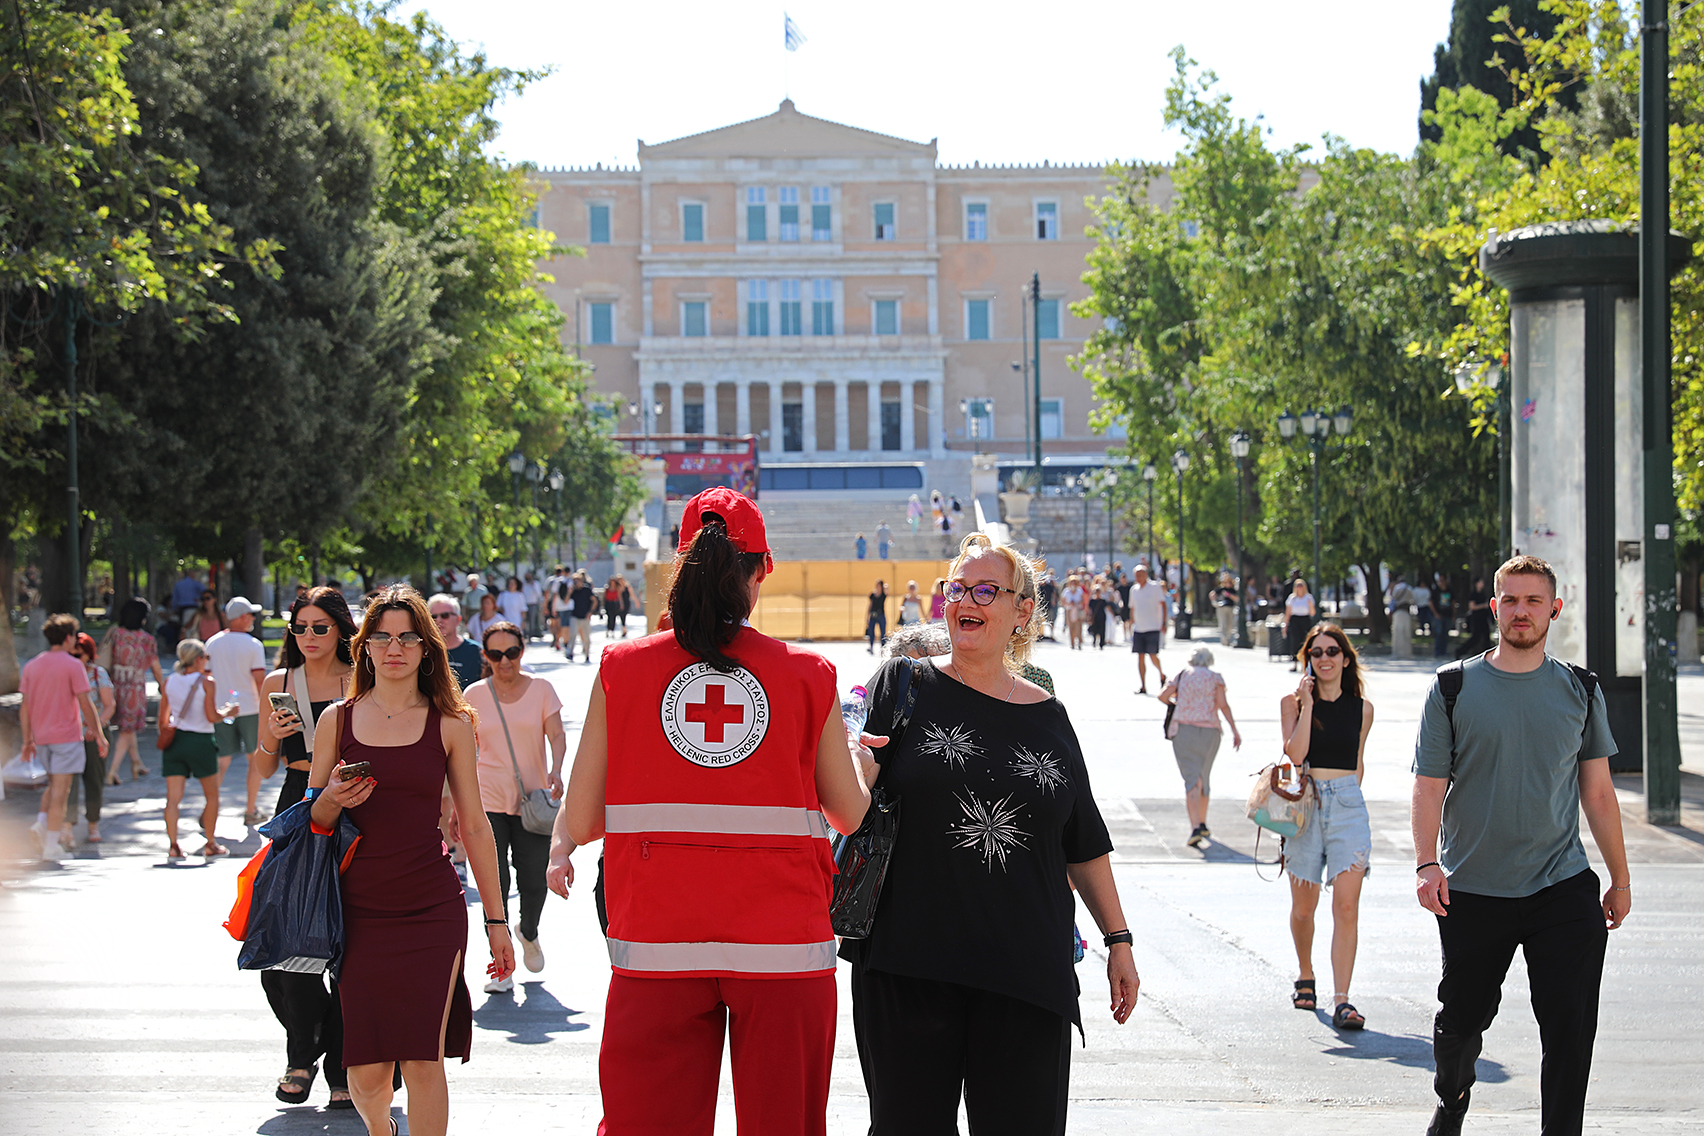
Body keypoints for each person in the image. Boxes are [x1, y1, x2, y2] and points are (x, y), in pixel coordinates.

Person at [551, 486, 869, 1135]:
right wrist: (868, 761)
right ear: (762, 572)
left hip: (657, 943)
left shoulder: (623, 667)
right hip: (784, 946)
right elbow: (850, 816)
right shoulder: (809, 674)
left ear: (679, 562)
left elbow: (582, 821)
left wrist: (559, 847)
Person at [845, 533, 1138, 1134]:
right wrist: (859, 773)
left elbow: (1082, 842)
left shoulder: (1049, 717)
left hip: (1026, 974)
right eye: (957, 588)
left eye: (985, 590)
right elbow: (849, 807)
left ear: (1022, 610)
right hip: (909, 967)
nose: (965, 601)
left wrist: (1119, 939)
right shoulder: (902, 686)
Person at [1412, 555, 1629, 1136]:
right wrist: (1427, 863)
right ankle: (1452, 1099)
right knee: (1462, 1021)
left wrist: (1620, 880)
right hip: (1473, 888)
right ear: (1495, 608)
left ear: (1554, 610)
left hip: (1562, 886)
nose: (1522, 611)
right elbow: (1429, 786)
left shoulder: (1580, 689)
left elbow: (1600, 795)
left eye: (1534, 601)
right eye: (1510, 600)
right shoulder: (1452, 687)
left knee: (1570, 1027)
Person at [306, 584, 513, 1136]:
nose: (394, 647)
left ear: (427, 648)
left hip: (431, 908)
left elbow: (474, 824)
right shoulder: (336, 721)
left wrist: (497, 922)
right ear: (365, 647)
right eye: (382, 637)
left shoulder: (451, 723)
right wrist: (329, 798)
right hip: (357, 909)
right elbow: (311, 823)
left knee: (424, 1057)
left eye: (407, 637)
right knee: (367, 1075)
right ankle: (383, 1130)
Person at [255, 585, 358, 1110]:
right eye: (300, 627)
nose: (310, 636)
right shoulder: (280, 683)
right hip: (296, 801)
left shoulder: (360, 678)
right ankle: (306, 1040)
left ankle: (340, 1063)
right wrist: (273, 735)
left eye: (321, 627)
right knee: (280, 935)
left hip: (355, 803)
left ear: (341, 628)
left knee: (352, 939)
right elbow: (262, 765)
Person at [1279, 622, 1375, 1030]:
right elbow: (1294, 754)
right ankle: (1305, 972)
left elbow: (1358, 764)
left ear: (1346, 657)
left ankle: (1343, 1000)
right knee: (1304, 908)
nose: (1324, 659)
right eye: (1315, 653)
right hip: (1306, 805)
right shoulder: (1293, 703)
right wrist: (1308, 705)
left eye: (1332, 651)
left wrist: (1347, 798)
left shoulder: (1362, 709)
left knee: (1347, 905)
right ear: (1307, 660)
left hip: (1348, 804)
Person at [463, 621, 566, 991]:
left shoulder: (541, 690)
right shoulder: (473, 695)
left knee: (534, 877)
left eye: (511, 653)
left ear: (522, 651)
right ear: (485, 657)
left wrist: (556, 769)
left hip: (533, 798)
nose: (504, 662)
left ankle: (529, 929)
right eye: (495, 654)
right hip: (487, 797)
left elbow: (556, 733)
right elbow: (461, 748)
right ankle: (501, 966)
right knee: (497, 882)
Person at [20, 614, 109, 861]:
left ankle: (41, 823)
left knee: (53, 786)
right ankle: (51, 845)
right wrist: (100, 736)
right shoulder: (73, 666)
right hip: (67, 736)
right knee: (61, 791)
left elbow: (25, 706)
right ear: (69, 638)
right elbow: (86, 703)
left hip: (42, 736)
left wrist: (27, 740)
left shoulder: (32, 665)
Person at [1157, 644, 1242, 848]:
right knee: (1203, 776)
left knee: (1191, 778)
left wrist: (1180, 703)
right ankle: (1202, 822)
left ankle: (1195, 826)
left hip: (1184, 730)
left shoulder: (1182, 675)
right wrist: (1234, 729)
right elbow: (1223, 705)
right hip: (1210, 730)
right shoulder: (1215, 678)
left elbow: (1162, 696)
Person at [159, 638, 237, 859]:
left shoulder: (169, 681)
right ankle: (210, 843)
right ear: (198, 659)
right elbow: (211, 716)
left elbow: (163, 719)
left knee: (173, 798)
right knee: (211, 796)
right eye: (206, 657)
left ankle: (173, 845)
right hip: (201, 740)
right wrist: (229, 712)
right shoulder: (206, 682)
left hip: (176, 742)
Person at [206, 597, 270, 826]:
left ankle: (209, 807)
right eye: (251, 614)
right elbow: (260, 680)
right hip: (250, 708)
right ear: (242, 618)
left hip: (221, 709)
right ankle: (250, 809)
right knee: (254, 759)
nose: (253, 618)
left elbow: (206, 677)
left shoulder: (212, 643)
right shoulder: (253, 645)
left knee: (221, 760)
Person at [101, 598, 164, 784]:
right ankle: (112, 771)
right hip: (134, 687)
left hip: (114, 684)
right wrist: (163, 685)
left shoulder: (115, 633)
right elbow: (155, 666)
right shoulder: (146, 639)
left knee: (126, 728)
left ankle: (137, 763)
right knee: (127, 730)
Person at [62, 632, 116, 847]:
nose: (76, 658)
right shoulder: (64, 674)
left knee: (94, 780)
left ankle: (93, 823)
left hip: (94, 734)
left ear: (89, 654)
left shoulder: (97, 674)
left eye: (80, 655)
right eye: (72, 654)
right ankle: (67, 826)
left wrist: (97, 727)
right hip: (70, 735)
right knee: (68, 781)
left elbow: (109, 705)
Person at [428, 593, 484, 690]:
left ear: (458, 619)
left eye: (445, 615)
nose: (439, 620)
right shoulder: (424, 651)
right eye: (434, 617)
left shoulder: (476, 651)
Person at [1128, 563, 1168, 693]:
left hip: (1153, 626)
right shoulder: (1134, 589)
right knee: (1140, 656)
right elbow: (1132, 607)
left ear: (1146, 574)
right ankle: (1143, 685)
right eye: (1136, 575)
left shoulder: (1155, 587)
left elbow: (1163, 604)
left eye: (1140, 574)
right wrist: (1132, 621)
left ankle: (1161, 675)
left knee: (1152, 655)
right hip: (1139, 628)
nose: (1138, 577)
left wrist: (1163, 622)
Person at [1283, 578, 1317, 672]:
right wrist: (1285, 625)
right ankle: (1295, 663)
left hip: (1305, 619)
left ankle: (1304, 664)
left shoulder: (1308, 597)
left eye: (1301, 585)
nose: (1299, 588)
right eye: (1297, 586)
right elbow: (1288, 613)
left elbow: (1312, 613)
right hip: (1295, 620)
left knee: (1305, 641)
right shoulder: (1292, 598)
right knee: (1295, 641)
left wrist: (1310, 605)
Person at [1456, 576, 1493, 658]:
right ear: (1476, 584)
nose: (1482, 584)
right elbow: (1472, 607)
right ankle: (1460, 651)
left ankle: (1488, 655)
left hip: (1483, 618)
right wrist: (1483, 606)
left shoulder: (1483, 594)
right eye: (1481, 582)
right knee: (1476, 638)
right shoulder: (1473, 594)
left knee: (1486, 636)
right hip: (1476, 618)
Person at [566, 571, 597, 662]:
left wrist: (590, 612)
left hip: (585, 616)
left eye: (578, 580)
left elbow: (594, 600)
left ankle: (587, 654)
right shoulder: (573, 591)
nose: (576, 583)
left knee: (586, 637)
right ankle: (570, 653)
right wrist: (569, 592)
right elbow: (566, 602)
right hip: (575, 616)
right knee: (573, 635)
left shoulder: (586, 590)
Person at [1061, 572, 1087, 649]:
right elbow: (1062, 601)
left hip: (1078, 610)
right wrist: (1068, 603)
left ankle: (1079, 642)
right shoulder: (1066, 591)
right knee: (1071, 627)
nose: (1073, 584)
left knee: (1078, 627)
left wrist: (1078, 603)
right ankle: (1072, 643)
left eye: (1075, 582)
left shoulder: (1079, 590)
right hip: (1069, 610)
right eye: (1072, 582)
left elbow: (1083, 600)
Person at [1213, 572, 1238, 646]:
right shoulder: (1220, 589)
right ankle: (1224, 640)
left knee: (1230, 624)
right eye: (1226, 582)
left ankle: (1228, 638)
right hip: (1222, 608)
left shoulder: (1233, 590)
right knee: (1223, 624)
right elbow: (1212, 594)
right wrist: (1214, 602)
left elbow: (1236, 599)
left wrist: (1229, 595)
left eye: (1229, 582)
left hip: (1230, 607)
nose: (1228, 583)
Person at [866, 579, 889, 654]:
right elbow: (870, 605)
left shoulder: (883, 595)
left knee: (882, 633)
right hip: (873, 615)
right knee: (871, 632)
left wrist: (885, 586)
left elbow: (887, 590)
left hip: (881, 615)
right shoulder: (872, 595)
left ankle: (883, 648)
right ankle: (871, 647)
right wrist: (867, 616)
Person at [1088, 578, 1111, 649]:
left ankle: (1101, 644)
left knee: (1102, 630)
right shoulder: (1092, 601)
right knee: (1095, 630)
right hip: (1095, 617)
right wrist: (1088, 616)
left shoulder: (1103, 601)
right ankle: (1094, 641)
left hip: (1102, 617)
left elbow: (1107, 607)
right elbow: (1089, 609)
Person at [522, 571, 543, 640]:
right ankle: (525, 634)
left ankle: (531, 635)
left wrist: (533, 585)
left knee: (532, 620)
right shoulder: (523, 584)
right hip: (524, 604)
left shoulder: (535, 584)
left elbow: (538, 594)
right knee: (525, 620)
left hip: (533, 604)